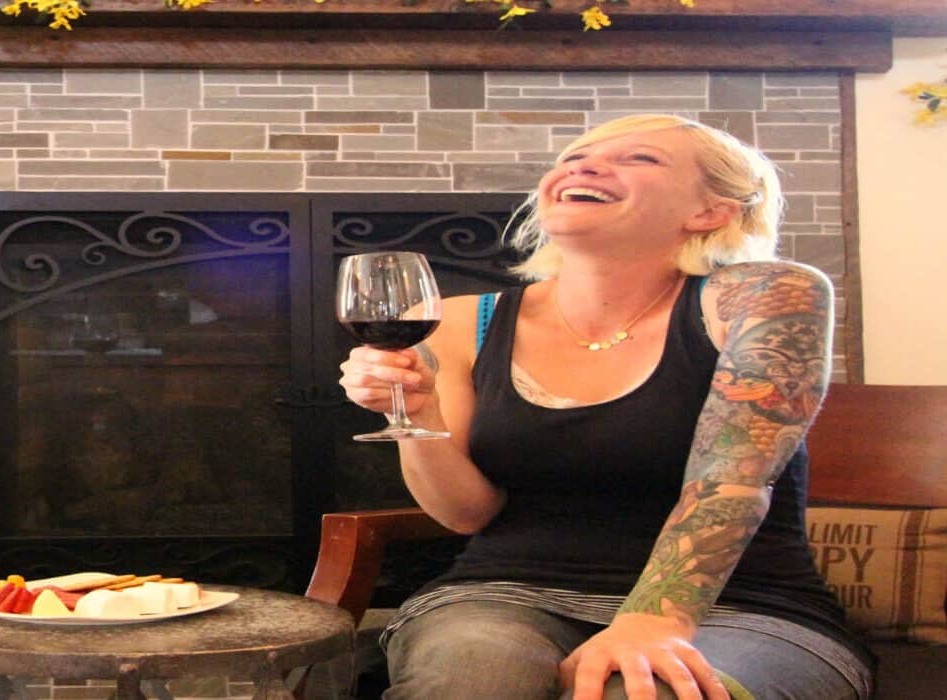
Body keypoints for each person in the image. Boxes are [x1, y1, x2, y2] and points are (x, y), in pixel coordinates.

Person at [338, 114, 872, 700]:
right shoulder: (463, 320)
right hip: (505, 592)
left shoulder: (768, 295)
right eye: (574, 157)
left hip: (744, 607)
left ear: (710, 212)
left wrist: (654, 623)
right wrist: (418, 415)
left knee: (647, 694)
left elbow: (732, 482)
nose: (582, 165)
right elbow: (466, 515)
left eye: (640, 159)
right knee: (472, 680)